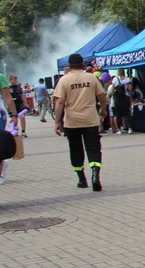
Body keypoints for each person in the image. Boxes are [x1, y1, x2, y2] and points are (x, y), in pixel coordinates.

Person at [53, 53, 107, 191]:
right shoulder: (91, 78)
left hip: (72, 121)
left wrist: (57, 122)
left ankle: (82, 179)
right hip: (90, 119)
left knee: (76, 149)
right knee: (94, 148)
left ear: (69, 66)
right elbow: (102, 96)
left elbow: (59, 101)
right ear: (83, 64)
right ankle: (95, 176)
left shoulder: (64, 80)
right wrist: (103, 110)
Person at [110, 70, 132, 134]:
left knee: (118, 114)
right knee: (127, 114)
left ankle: (119, 130)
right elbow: (130, 89)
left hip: (117, 99)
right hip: (125, 98)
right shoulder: (127, 79)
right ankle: (129, 129)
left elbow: (112, 89)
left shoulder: (115, 79)